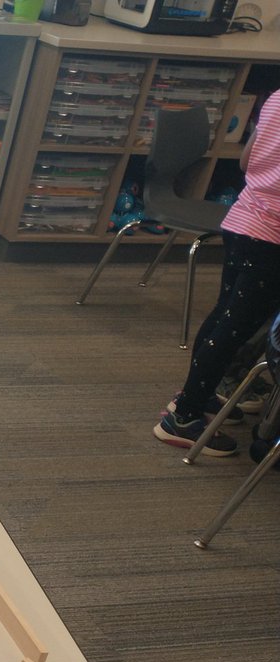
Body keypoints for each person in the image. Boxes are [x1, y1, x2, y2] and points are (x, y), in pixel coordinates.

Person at [154, 90, 280, 457]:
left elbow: (245, 161)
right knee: (234, 329)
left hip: (243, 220)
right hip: (272, 236)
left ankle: (198, 396)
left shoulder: (275, 98)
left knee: (225, 316)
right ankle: (184, 418)